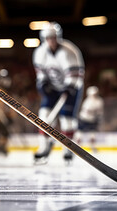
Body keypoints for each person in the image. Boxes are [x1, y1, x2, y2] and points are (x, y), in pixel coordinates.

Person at [32, 22, 85, 165]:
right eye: (48, 38)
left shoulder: (69, 51)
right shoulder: (39, 53)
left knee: (67, 120)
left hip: (71, 88)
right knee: (44, 117)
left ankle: (68, 149)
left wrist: (69, 88)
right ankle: (44, 146)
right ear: (44, 39)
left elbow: (76, 74)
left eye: (53, 37)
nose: (51, 41)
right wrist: (43, 85)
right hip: (53, 88)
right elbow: (41, 75)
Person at [75, 86, 104, 152]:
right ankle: (78, 146)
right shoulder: (87, 101)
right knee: (80, 132)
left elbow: (100, 111)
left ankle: (92, 146)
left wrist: (99, 118)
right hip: (84, 118)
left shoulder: (99, 101)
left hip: (93, 119)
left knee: (93, 134)